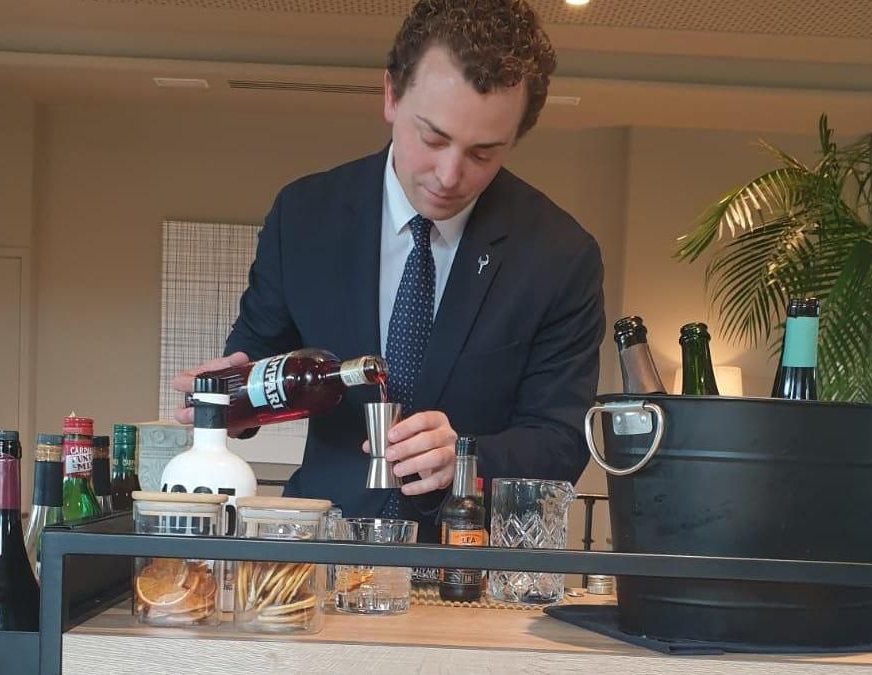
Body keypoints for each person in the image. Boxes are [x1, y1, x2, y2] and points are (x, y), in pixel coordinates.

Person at [173, 0, 604, 541]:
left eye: (483, 154)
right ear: (391, 96)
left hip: (470, 566)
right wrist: (227, 401)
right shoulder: (304, 217)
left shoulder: (560, 256)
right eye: (433, 137)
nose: (450, 176)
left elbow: (562, 441)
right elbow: (258, 362)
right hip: (321, 553)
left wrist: (466, 458)